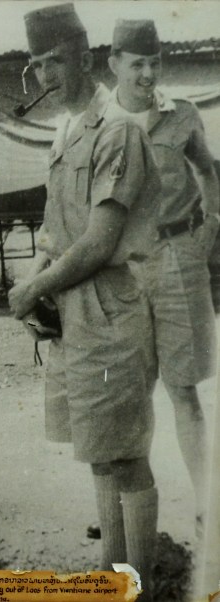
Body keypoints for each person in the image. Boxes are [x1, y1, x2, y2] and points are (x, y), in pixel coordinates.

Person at [8, 5, 160, 600]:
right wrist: (35, 272)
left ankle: (138, 584)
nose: (46, 74)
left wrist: (35, 288)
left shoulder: (117, 129)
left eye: (56, 61)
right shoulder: (67, 131)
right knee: (98, 449)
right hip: (73, 313)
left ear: (87, 59)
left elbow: (99, 241)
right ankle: (110, 571)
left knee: (124, 455)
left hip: (112, 308)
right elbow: (54, 231)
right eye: (37, 63)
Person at [106, 19, 219, 534]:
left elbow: (207, 170)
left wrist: (210, 226)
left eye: (154, 63)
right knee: (126, 394)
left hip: (177, 258)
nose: (148, 74)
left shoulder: (183, 116)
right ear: (115, 65)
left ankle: (207, 504)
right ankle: (128, 511)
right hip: (124, 269)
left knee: (183, 389)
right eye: (137, 64)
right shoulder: (99, 123)